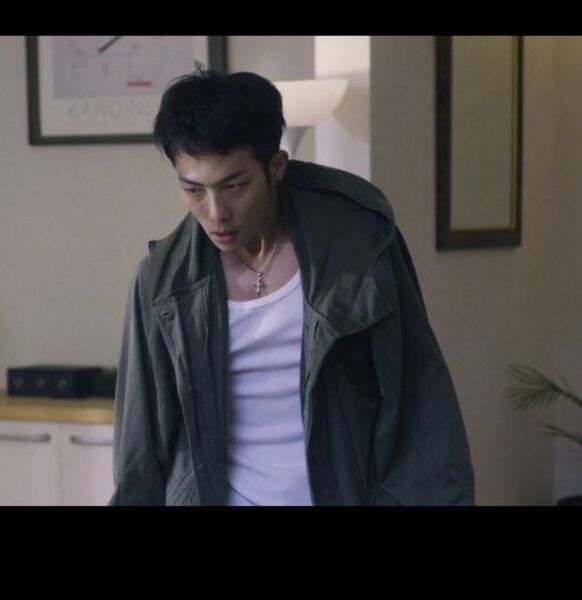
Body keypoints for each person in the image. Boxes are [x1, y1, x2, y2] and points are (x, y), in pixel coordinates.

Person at [109, 69, 475, 506]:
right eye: (194, 190)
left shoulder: (359, 250)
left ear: (276, 167)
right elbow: (141, 448)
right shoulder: (160, 283)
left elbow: (421, 400)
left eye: (234, 186)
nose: (216, 213)